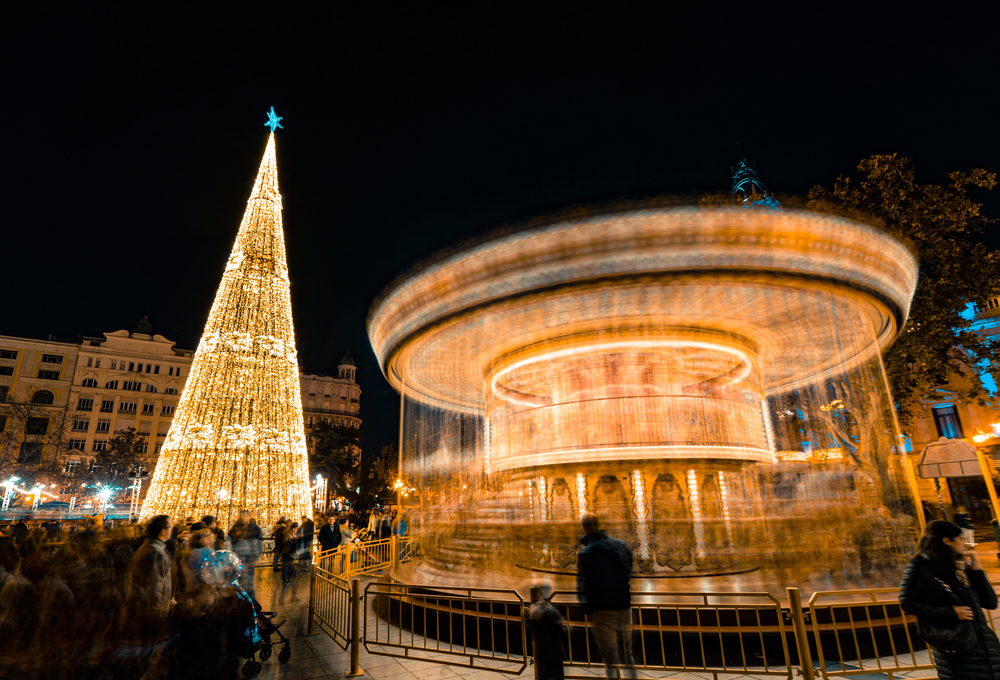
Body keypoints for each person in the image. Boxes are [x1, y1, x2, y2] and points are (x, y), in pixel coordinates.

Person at [899, 520, 1000, 677]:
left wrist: (976, 571)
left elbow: (991, 603)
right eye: (961, 539)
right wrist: (952, 613)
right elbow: (907, 603)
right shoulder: (920, 566)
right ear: (947, 540)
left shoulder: (961, 566)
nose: (965, 544)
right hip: (955, 643)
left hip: (983, 643)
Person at [576, 512, 637, 680]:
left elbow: (581, 583)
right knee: (627, 654)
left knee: (610, 658)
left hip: (602, 610)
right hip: (624, 606)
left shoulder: (585, 552)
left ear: (585, 528)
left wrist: (586, 606)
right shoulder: (620, 544)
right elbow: (628, 572)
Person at [115, 514, 173, 676]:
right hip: (143, 617)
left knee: (134, 662)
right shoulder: (156, 554)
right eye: (170, 527)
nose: (172, 530)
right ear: (163, 531)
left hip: (136, 613)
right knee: (137, 664)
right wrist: (158, 616)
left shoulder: (148, 549)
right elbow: (154, 591)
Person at [529, 579, 567, 680]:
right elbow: (561, 630)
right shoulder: (552, 613)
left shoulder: (533, 611)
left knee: (542, 675)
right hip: (554, 653)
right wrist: (568, 628)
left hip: (540, 654)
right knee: (557, 675)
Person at [280, 522, 301, 604]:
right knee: (286, 566)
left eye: (296, 528)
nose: (295, 529)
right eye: (294, 528)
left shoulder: (292, 533)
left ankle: (288, 579)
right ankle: (285, 580)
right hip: (287, 552)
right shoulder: (289, 534)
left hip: (290, 552)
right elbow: (287, 542)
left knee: (288, 566)